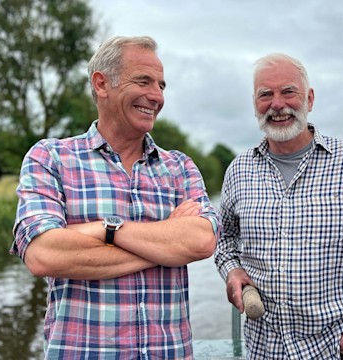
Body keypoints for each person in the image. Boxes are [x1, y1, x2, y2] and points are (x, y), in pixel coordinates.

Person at [11, 36, 219, 359]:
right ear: (102, 84)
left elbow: (202, 241)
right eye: (144, 81)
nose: (157, 96)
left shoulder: (180, 167)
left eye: (162, 85)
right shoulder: (50, 158)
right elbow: (43, 255)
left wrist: (107, 230)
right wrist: (166, 247)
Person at [215, 53, 343, 359]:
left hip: (342, 351)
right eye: (266, 94)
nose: (277, 104)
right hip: (264, 351)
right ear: (254, 104)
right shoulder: (238, 171)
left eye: (289, 91)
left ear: (310, 99)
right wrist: (233, 271)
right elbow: (224, 241)